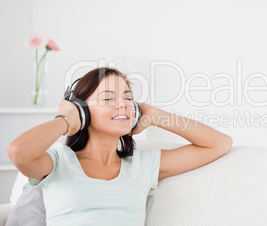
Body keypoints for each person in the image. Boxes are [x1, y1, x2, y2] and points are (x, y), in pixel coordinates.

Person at [7, 67, 233, 226]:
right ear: (82, 111)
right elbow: (18, 152)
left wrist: (153, 115)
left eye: (128, 98)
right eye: (108, 99)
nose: (123, 105)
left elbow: (219, 144)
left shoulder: (142, 165)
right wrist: (66, 120)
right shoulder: (57, 161)